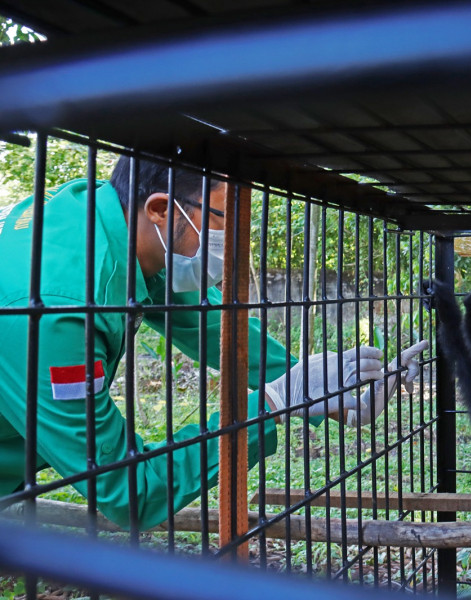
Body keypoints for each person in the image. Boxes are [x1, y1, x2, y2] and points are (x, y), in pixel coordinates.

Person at [0, 157, 428, 530]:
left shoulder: (109, 218)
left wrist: (336, 395)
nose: (235, 239)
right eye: (224, 219)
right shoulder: (57, 310)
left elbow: (209, 327)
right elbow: (128, 489)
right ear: (161, 209)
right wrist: (273, 403)